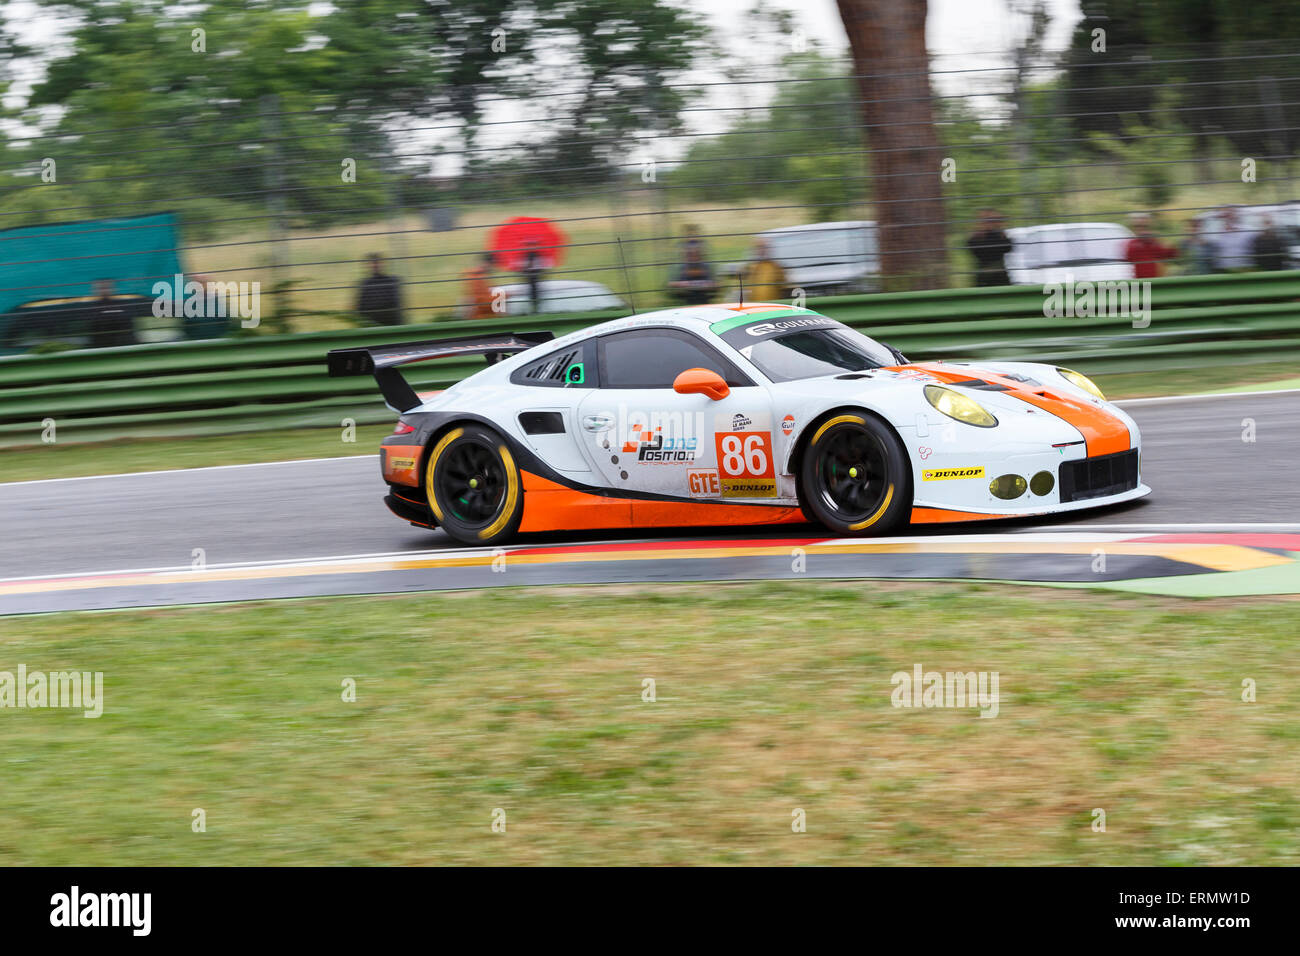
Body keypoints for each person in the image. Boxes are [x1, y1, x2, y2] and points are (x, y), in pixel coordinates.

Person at [966, 209, 1012, 287]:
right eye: (994, 220)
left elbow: (1008, 248)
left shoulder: (997, 234)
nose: (998, 222)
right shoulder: (979, 237)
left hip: (998, 278)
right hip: (988, 278)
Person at [1123, 213, 1178, 279]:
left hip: (1156, 282)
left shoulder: (1155, 241)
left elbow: (1170, 254)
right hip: (1140, 282)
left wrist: (1169, 246)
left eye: (1144, 226)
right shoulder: (1131, 244)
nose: (1141, 229)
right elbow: (1128, 260)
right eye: (1137, 226)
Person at [355, 253, 403, 325]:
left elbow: (396, 304)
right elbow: (360, 307)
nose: (375, 265)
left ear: (382, 264)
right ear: (368, 266)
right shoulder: (365, 283)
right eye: (372, 263)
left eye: (377, 263)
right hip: (372, 323)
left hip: (389, 322)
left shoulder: (391, 281)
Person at [86, 279, 137, 347]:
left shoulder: (123, 306)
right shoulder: (89, 308)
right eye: (100, 288)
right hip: (100, 347)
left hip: (123, 346)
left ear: (113, 289)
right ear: (94, 290)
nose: (104, 291)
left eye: (106, 288)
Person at [1209, 206, 1256, 272]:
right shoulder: (1216, 232)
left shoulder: (1249, 230)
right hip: (1223, 270)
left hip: (1245, 270)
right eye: (1226, 214)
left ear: (1237, 215)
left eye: (1232, 213)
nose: (1229, 216)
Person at [742, 237, 788, 302]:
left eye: (764, 247)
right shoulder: (751, 267)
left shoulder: (776, 267)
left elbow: (784, 287)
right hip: (755, 307)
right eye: (759, 248)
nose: (761, 250)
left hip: (771, 306)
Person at [459, 252, 497, 319]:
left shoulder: (471, 274)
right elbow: (482, 301)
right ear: (486, 264)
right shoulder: (478, 276)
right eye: (492, 264)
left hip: (478, 314)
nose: (493, 268)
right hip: (479, 316)